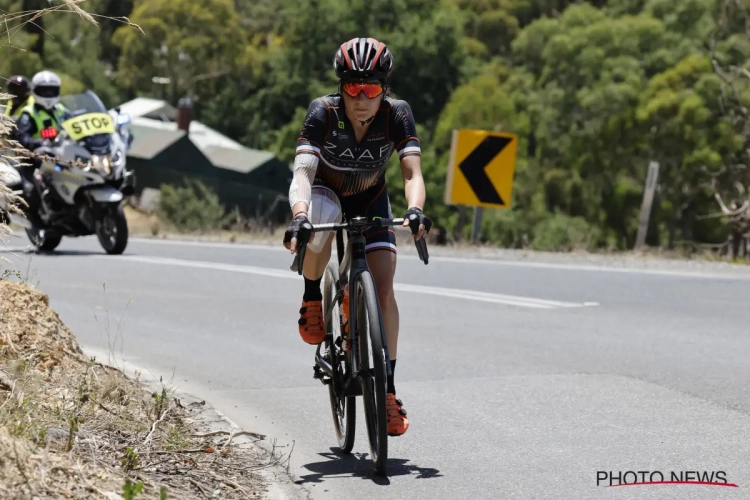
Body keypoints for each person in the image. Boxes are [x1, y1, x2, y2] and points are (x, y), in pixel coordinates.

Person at [282, 37, 432, 437]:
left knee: (384, 290)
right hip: (326, 191)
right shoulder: (323, 112)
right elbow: (302, 173)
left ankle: (388, 390)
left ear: (385, 87)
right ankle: (313, 295)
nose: (362, 97)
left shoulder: (397, 115)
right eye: (353, 87)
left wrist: (415, 209)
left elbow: (412, 173)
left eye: (372, 88)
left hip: (372, 196)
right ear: (341, 86)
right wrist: (299, 216)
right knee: (321, 217)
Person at [14, 70, 71, 226]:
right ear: (35, 91)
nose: (48, 93)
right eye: (44, 90)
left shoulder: (61, 110)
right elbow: (23, 136)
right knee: (32, 187)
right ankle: (34, 218)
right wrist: (38, 142)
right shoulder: (28, 113)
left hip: (61, 153)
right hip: (34, 159)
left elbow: (75, 123)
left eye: (51, 90)